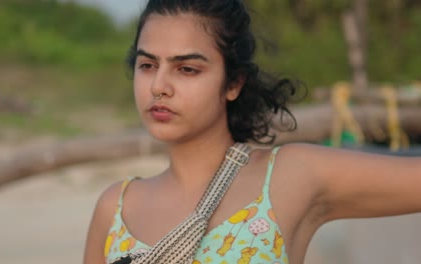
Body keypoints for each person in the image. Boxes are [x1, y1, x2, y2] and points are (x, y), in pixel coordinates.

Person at [83, 1, 421, 263]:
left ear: (233, 83)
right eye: (147, 66)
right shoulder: (116, 209)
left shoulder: (289, 178)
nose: (159, 86)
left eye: (186, 69)